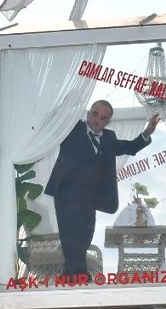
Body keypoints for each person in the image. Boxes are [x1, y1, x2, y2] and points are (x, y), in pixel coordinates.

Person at [45, 100, 158, 278]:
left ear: (108, 122)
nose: (97, 120)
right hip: (67, 194)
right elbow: (52, 122)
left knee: (84, 237)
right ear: (88, 113)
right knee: (70, 237)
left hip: (90, 200)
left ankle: (74, 276)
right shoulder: (72, 128)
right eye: (95, 114)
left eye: (103, 118)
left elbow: (129, 147)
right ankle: (76, 277)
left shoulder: (109, 138)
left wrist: (147, 133)